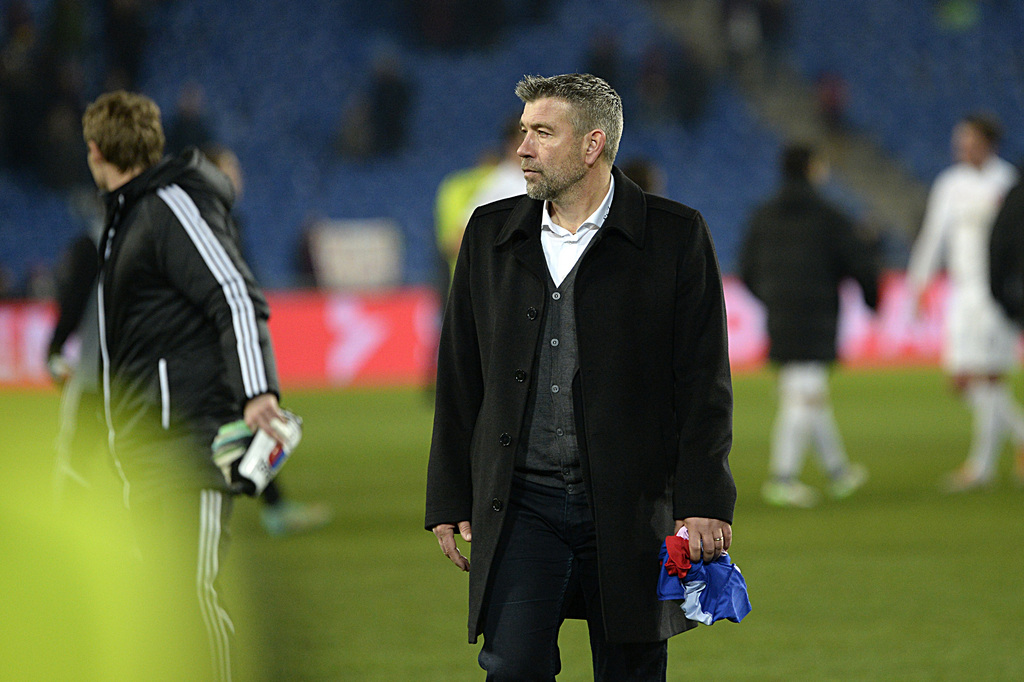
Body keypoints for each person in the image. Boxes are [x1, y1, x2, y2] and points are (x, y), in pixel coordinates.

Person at [425, 73, 735, 681]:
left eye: (543, 133)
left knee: (631, 670)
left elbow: (704, 385)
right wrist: (449, 494)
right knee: (512, 668)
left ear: (593, 145)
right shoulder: (488, 232)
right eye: (524, 131)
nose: (523, 148)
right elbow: (461, 374)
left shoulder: (675, 236)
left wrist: (704, 500)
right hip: (521, 502)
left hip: (632, 505)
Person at [83, 90, 285, 681]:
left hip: (187, 445)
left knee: (190, 602)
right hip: (146, 450)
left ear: (95, 151)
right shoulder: (131, 215)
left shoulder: (168, 205)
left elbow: (234, 293)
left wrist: (258, 391)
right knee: (160, 614)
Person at [203, 144, 333, 536]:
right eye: (231, 170)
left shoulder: (223, 221)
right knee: (246, 418)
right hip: (214, 343)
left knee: (239, 419)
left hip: (218, 341)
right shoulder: (211, 225)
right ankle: (266, 506)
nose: (239, 177)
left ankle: (272, 505)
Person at [740, 143, 878, 508]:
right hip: (818, 314)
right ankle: (782, 479)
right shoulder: (829, 215)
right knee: (804, 396)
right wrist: (872, 298)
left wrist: (773, 298)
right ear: (813, 168)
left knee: (806, 390)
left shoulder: (763, 215)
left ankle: (838, 472)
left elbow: (747, 268)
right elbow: (858, 261)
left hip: (781, 315)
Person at [908, 114, 1024, 492]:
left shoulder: (1007, 181)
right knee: (963, 380)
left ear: (988, 142)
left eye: (970, 140)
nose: (962, 147)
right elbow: (934, 235)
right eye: (960, 140)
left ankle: (981, 467)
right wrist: (920, 282)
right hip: (961, 291)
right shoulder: (950, 183)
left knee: (989, 376)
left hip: (996, 290)